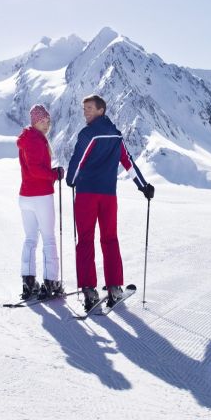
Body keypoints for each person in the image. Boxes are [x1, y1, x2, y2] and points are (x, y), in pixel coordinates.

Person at [65, 94, 154, 310]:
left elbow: (78, 161)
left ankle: (89, 290)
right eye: (83, 108)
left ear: (101, 111)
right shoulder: (116, 136)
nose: (85, 112)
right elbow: (128, 162)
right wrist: (143, 186)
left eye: (89, 108)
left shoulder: (88, 134)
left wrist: (71, 180)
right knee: (110, 239)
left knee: (85, 241)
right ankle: (114, 287)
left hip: (87, 195)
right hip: (108, 196)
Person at [16, 104, 65, 300]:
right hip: (41, 195)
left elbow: (31, 168)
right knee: (48, 238)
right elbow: (36, 169)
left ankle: (28, 281)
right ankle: (50, 281)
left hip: (25, 196)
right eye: (43, 121)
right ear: (35, 121)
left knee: (30, 238)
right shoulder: (35, 140)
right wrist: (54, 174)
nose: (47, 124)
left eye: (48, 121)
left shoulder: (26, 139)